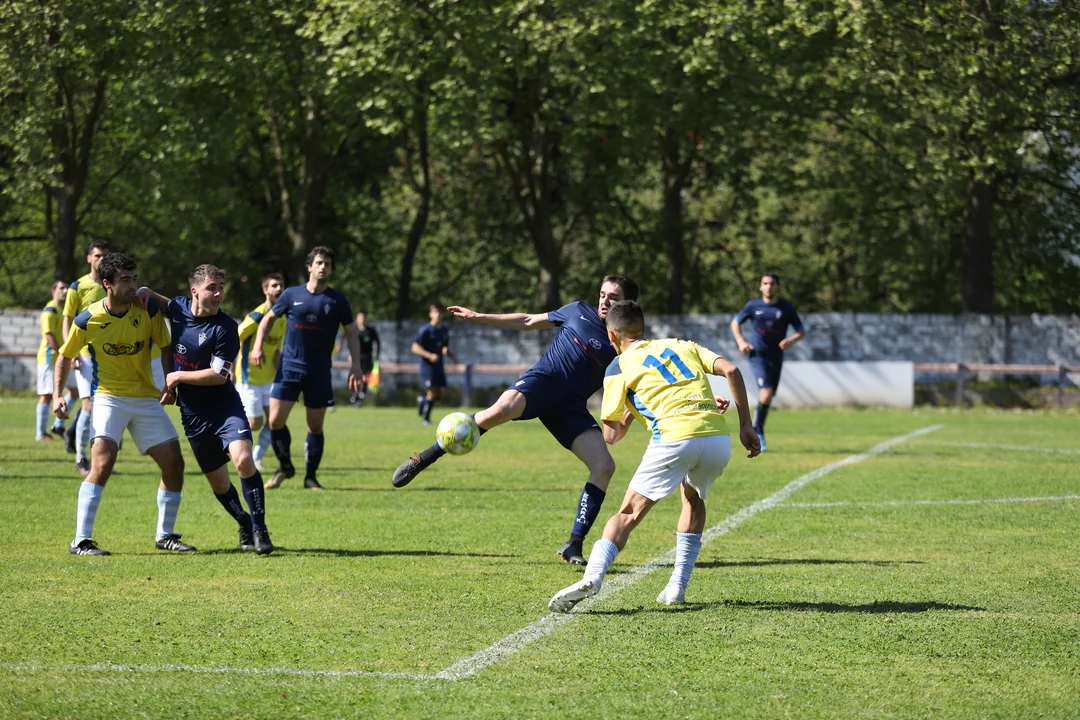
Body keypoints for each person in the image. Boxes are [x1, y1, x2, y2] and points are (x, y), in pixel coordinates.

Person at [391, 274, 639, 566]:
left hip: (570, 407)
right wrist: (479, 316)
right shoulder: (577, 310)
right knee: (499, 411)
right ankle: (424, 458)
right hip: (542, 382)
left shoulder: (626, 345)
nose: (604, 301)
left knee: (604, 466)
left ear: (628, 303)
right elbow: (528, 320)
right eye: (602, 294)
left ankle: (574, 544)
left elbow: (635, 388)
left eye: (613, 297)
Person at [549, 300, 760, 612]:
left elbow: (612, 435)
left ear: (611, 335)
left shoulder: (617, 367)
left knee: (628, 513)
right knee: (693, 499)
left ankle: (593, 577)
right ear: (643, 328)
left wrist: (632, 407)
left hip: (675, 438)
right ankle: (677, 587)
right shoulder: (682, 345)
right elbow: (731, 369)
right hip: (717, 437)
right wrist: (746, 426)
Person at [53, 252, 190, 556]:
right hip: (108, 397)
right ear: (107, 284)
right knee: (103, 462)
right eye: (125, 280)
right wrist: (57, 395)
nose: (132, 286)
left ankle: (165, 535)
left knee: (174, 464)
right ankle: (81, 540)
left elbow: (166, 346)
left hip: (145, 398)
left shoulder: (148, 310)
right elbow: (64, 355)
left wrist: (169, 381)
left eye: (134, 279)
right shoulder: (88, 319)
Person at [138, 266, 274, 555]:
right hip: (193, 415)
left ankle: (260, 529)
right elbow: (159, 301)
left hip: (225, 408)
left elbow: (219, 375)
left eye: (221, 287)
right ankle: (245, 522)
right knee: (220, 483)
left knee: (243, 460)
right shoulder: (178, 309)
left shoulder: (225, 327)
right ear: (195, 291)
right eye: (212, 287)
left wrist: (176, 377)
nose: (218, 293)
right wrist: (144, 291)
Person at [250, 246, 363, 490]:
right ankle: (285, 467)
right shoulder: (291, 294)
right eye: (319, 263)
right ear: (309, 267)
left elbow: (352, 333)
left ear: (331, 270)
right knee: (275, 421)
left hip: (318, 371)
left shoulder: (337, 300)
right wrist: (257, 346)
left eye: (327, 264)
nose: (323, 267)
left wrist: (356, 366)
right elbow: (268, 319)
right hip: (288, 368)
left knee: (315, 426)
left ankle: (311, 477)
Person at [729, 273, 806, 452]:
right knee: (765, 393)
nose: (768, 287)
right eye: (765, 283)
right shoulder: (753, 306)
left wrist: (791, 340)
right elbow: (735, 323)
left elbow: (801, 330)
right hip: (757, 356)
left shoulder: (786, 308)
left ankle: (758, 427)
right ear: (760, 286)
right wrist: (741, 342)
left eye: (772, 283)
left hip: (776, 357)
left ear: (777, 286)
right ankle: (757, 429)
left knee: (769, 396)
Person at [62, 239, 111, 474]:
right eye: (98, 256)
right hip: (84, 355)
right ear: (89, 258)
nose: (102, 260)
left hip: (108, 355)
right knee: (88, 406)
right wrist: (70, 351)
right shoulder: (77, 286)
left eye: (105, 256)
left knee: (107, 409)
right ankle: (81, 457)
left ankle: (100, 460)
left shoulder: (112, 283)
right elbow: (68, 319)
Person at [236, 273, 286, 470]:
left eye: (281, 285)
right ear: (265, 290)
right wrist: (230, 364)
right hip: (250, 378)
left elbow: (277, 347)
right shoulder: (257, 315)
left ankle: (256, 458)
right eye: (274, 285)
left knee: (276, 421)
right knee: (255, 424)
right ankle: (226, 438)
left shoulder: (283, 317)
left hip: (270, 378)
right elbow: (236, 336)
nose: (279, 288)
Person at [35, 280, 72, 441]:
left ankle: (58, 425)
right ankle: (40, 433)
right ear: (53, 291)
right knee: (47, 395)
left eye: (67, 288)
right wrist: (62, 352)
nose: (65, 291)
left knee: (75, 391)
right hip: (49, 357)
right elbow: (48, 335)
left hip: (62, 359)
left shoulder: (63, 309)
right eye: (61, 288)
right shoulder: (49, 310)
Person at [412, 303, 456, 425]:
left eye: (440, 312)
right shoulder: (425, 330)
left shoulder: (444, 330)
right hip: (428, 367)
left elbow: (445, 346)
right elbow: (415, 347)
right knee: (432, 392)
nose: (438, 315)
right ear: (430, 314)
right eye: (435, 312)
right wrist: (429, 355)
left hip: (439, 366)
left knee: (440, 394)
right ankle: (425, 419)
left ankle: (422, 401)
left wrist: (452, 357)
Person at [348, 311, 379, 407]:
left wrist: (377, 357)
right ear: (357, 319)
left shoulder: (371, 331)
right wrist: (350, 355)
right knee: (354, 376)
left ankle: (361, 396)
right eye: (360, 318)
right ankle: (354, 396)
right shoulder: (354, 330)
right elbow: (350, 343)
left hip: (367, 357)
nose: (362, 320)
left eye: (364, 318)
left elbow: (377, 343)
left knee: (365, 377)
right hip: (356, 357)